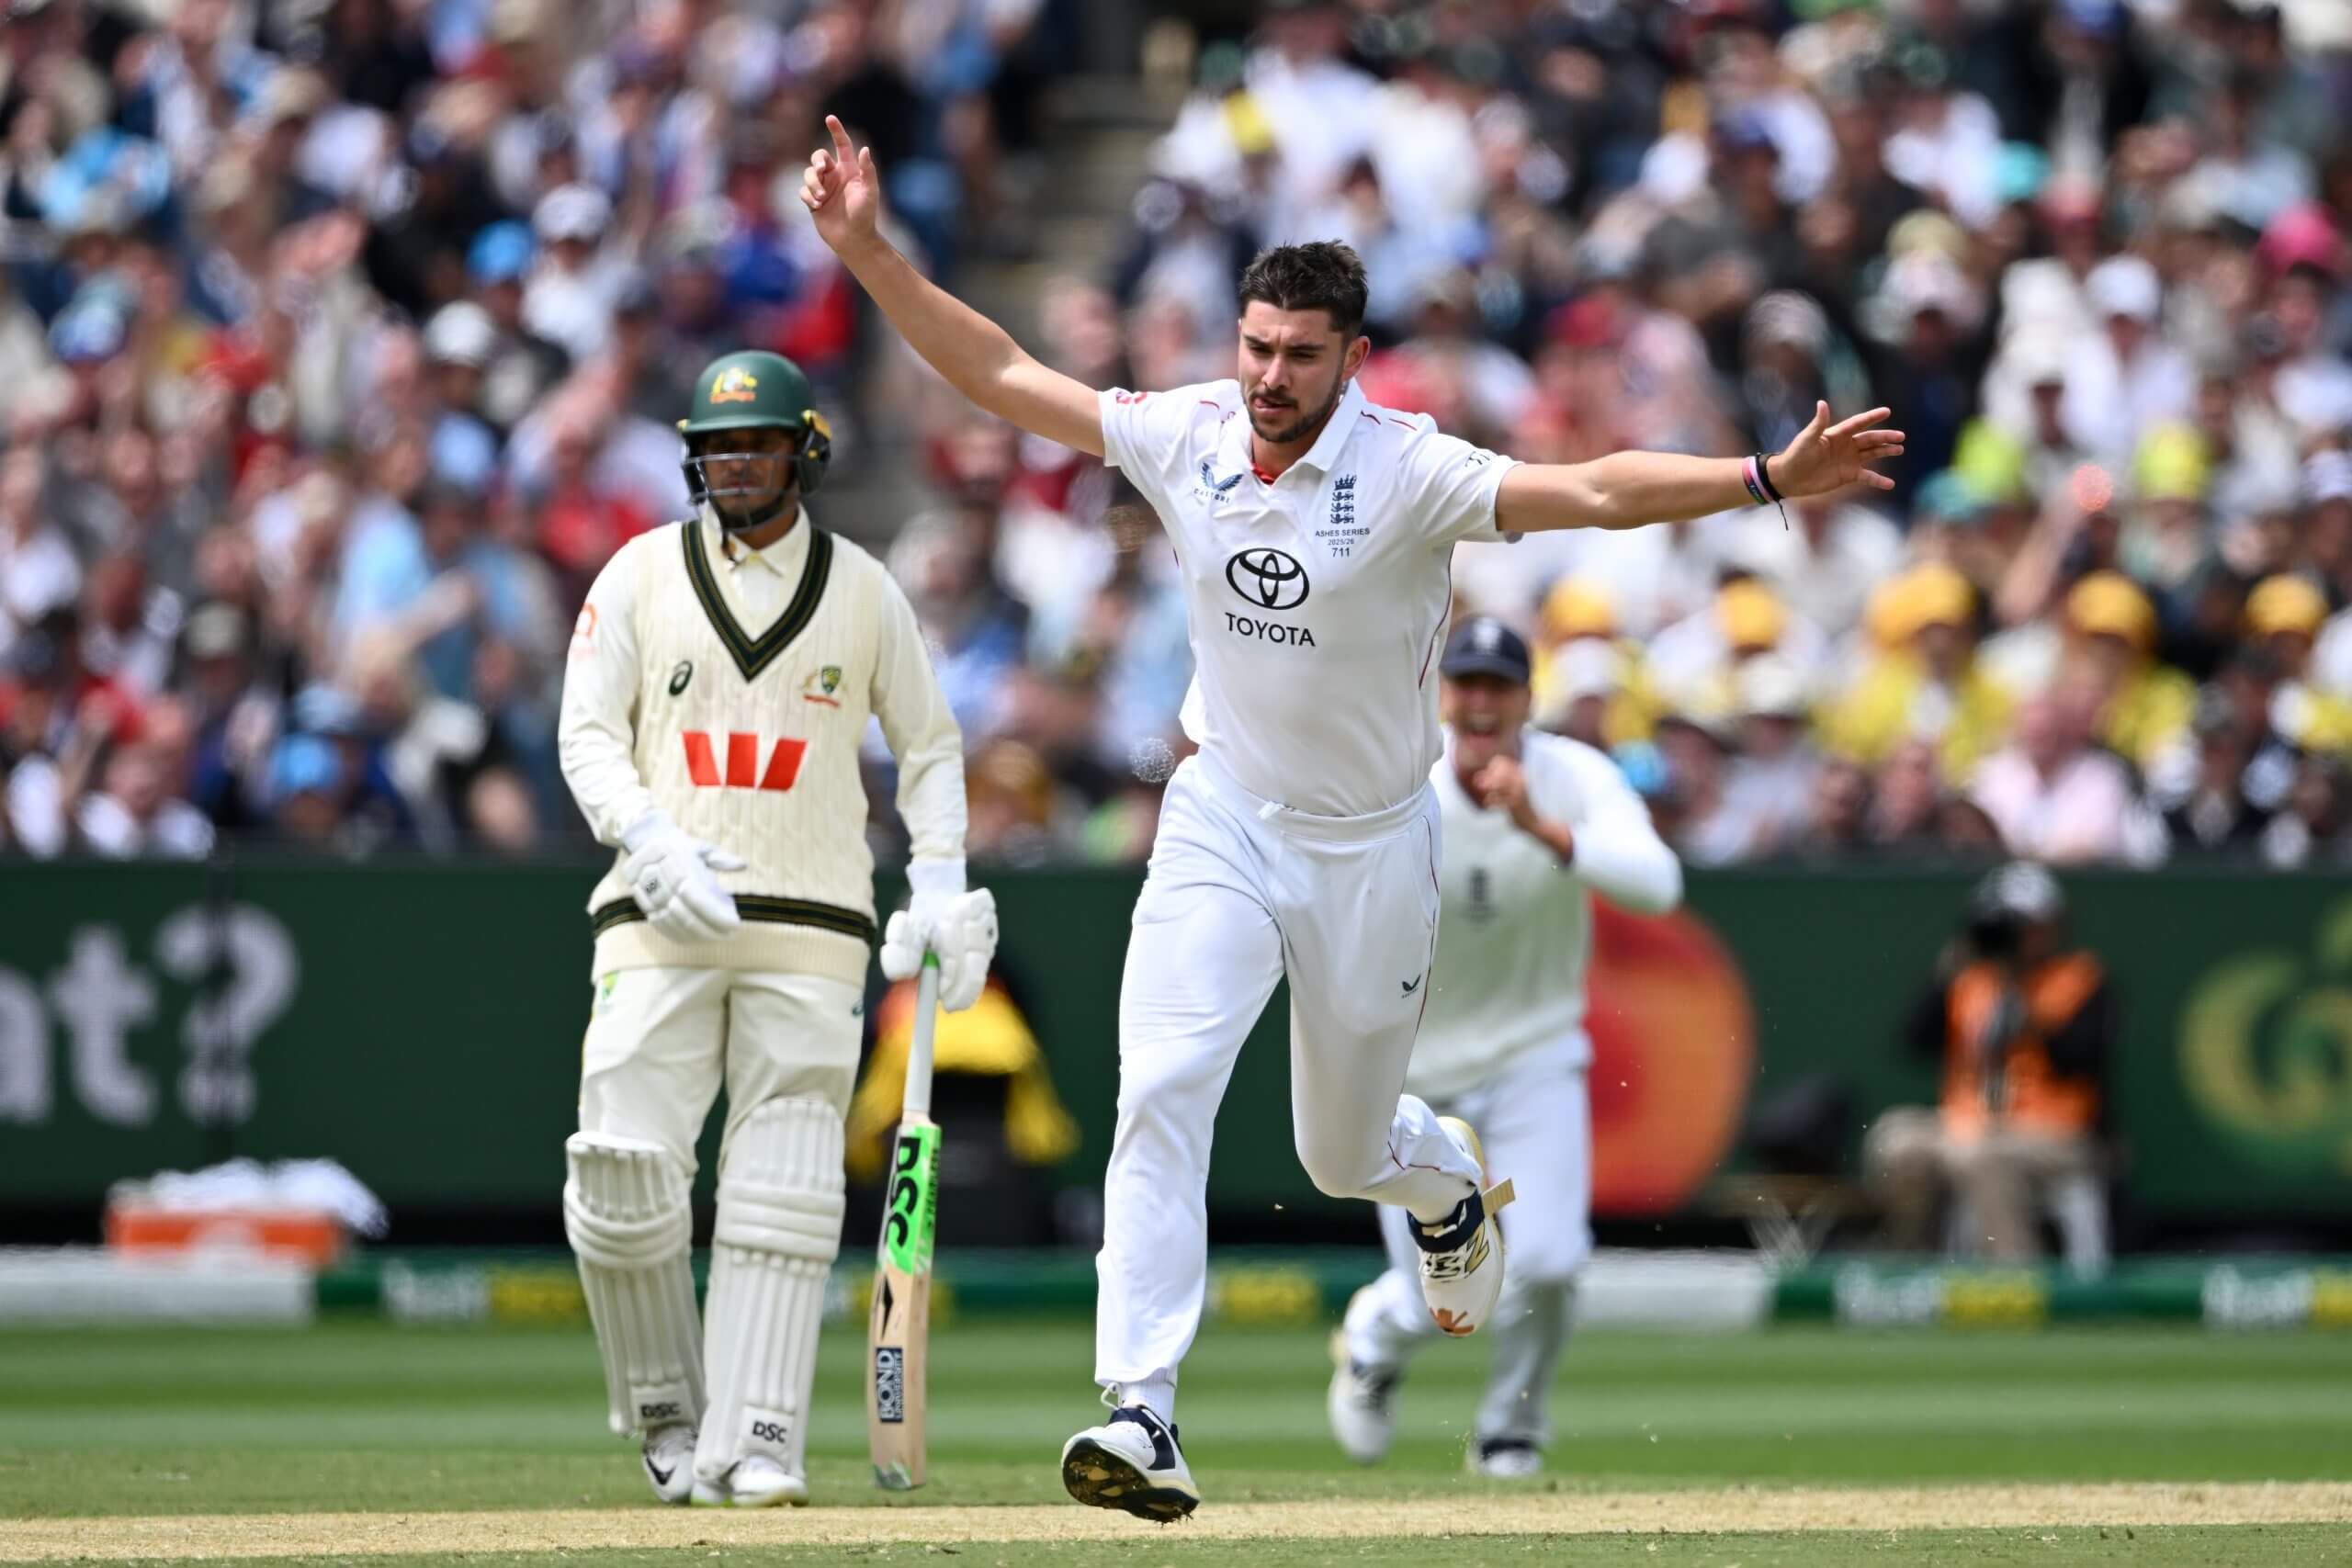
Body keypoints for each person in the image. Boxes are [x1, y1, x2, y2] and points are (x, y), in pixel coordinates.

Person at [800, 114, 1902, 1522]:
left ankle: (1440, 1184)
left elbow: (1600, 491)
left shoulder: (1412, 470)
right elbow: (1004, 372)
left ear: (1352, 358)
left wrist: (1759, 478)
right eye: (1255, 345)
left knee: (1343, 1152)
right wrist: (872, 254)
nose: (1267, 376)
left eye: (1299, 355)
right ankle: (1141, 1408)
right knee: (1160, 1091)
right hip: (1221, 816)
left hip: (1376, 844)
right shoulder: (1188, 429)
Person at [555, 349, 997, 1508]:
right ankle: (664, 1408)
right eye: (715, 447)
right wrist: (647, 842)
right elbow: (586, 734)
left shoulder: (862, 588)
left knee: (785, 1194)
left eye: (754, 445)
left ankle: (759, 1436)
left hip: (813, 927)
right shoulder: (641, 574)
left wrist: (941, 879)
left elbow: (933, 744)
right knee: (620, 1178)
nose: (733, 463)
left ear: (804, 450)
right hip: (658, 917)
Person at [1327, 617, 1680, 1479]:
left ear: (1526, 699)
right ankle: (1376, 1334)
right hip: (1414, 1079)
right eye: (1467, 685)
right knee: (1434, 1297)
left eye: (1500, 687)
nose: (1481, 704)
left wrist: (1540, 826)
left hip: (1534, 1060)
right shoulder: (1400, 776)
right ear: (1441, 695)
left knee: (1552, 1259)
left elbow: (1658, 885)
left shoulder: (1572, 776)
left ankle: (1510, 1427)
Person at [1864, 862, 2116, 1266]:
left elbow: (2084, 1060)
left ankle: (2017, 1281)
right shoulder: (1971, 981)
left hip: (2055, 1135)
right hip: (1967, 1124)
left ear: (2051, 925)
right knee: (1895, 1141)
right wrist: (1946, 971)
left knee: (1983, 1155)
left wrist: (2032, 1021)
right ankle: (1910, 1267)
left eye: (2023, 925)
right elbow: (1914, 1040)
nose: (2017, 938)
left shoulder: (2078, 979)